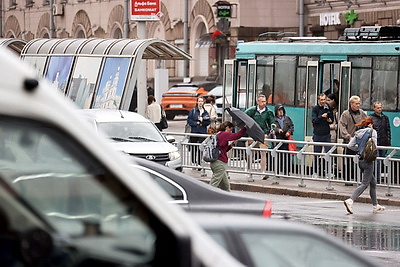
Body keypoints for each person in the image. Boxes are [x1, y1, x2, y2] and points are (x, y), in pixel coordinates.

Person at [343, 117, 385, 214]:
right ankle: (350, 200)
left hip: (360, 160)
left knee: (373, 182)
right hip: (368, 161)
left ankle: (375, 205)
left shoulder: (358, 133)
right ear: (370, 124)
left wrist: (360, 149)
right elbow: (374, 145)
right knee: (365, 183)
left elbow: (350, 146)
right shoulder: (372, 132)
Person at [210, 121, 247, 191]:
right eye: (230, 130)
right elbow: (237, 135)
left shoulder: (218, 134)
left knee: (225, 186)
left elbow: (223, 149)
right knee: (214, 184)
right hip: (219, 163)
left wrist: (232, 145)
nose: (230, 132)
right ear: (227, 128)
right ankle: (206, 197)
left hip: (216, 162)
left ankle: (226, 198)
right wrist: (245, 128)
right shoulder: (224, 134)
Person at [245, 94, 275, 178]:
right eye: (262, 101)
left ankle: (263, 172)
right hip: (252, 134)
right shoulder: (252, 110)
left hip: (263, 134)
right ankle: (248, 169)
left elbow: (272, 122)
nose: (264, 103)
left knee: (263, 153)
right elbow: (244, 117)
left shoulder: (268, 112)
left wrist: (272, 129)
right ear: (257, 102)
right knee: (250, 152)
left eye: (265, 101)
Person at [339, 95, 367, 185]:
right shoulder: (345, 114)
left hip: (360, 141)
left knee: (361, 160)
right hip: (350, 141)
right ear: (351, 104)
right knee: (348, 160)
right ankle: (347, 180)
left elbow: (367, 122)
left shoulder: (362, 113)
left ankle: (358, 178)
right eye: (356, 104)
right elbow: (342, 126)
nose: (358, 105)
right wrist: (348, 136)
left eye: (359, 103)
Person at [311, 93, 334, 177]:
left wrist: (329, 119)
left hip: (326, 134)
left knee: (328, 153)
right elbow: (314, 120)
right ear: (318, 100)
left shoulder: (328, 108)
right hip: (317, 134)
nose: (323, 101)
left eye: (324, 99)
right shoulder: (315, 109)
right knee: (316, 153)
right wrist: (321, 116)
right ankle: (315, 172)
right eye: (321, 100)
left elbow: (332, 120)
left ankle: (328, 172)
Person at [370, 102, 391, 184]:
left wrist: (388, 141)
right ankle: (376, 180)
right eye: (378, 108)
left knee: (381, 161)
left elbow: (388, 130)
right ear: (374, 108)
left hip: (384, 143)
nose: (380, 109)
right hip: (376, 143)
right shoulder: (371, 118)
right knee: (377, 161)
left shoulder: (385, 118)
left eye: (381, 107)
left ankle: (377, 179)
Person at [187, 97, 211, 166]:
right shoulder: (193, 111)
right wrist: (196, 123)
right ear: (197, 102)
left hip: (202, 132)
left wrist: (202, 121)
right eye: (199, 101)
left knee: (201, 148)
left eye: (202, 101)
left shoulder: (205, 112)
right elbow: (189, 120)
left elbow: (208, 122)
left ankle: (199, 162)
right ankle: (194, 162)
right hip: (194, 132)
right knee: (194, 148)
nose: (200, 103)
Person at [272, 104, 294, 175]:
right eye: (279, 110)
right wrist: (277, 130)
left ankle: (286, 171)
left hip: (285, 139)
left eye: (281, 110)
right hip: (277, 139)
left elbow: (291, 126)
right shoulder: (273, 119)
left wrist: (289, 132)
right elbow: (271, 128)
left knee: (286, 156)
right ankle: (277, 171)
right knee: (278, 156)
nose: (280, 111)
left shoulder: (287, 118)